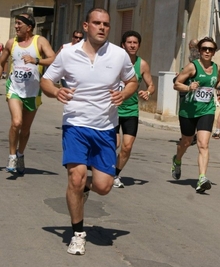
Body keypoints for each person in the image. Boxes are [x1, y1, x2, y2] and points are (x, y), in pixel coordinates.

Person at [40, 7, 138, 255]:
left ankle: (83, 188)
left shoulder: (119, 55)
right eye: (97, 23)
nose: (102, 27)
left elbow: (133, 81)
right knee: (76, 177)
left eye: (106, 24)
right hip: (75, 124)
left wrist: (124, 93)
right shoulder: (68, 54)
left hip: (105, 127)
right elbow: (46, 81)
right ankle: (78, 233)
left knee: (104, 186)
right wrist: (56, 91)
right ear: (86, 26)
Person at [0, 13, 55, 174]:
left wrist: (36, 60)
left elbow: (53, 58)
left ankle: (20, 154)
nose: (16, 26)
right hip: (14, 89)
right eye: (16, 23)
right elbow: (2, 61)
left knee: (25, 129)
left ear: (29, 27)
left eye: (19, 24)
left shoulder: (40, 41)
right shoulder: (12, 43)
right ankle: (12, 156)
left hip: (32, 92)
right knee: (16, 122)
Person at [172, 37, 220, 193]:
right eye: (204, 49)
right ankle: (177, 159)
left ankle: (202, 178)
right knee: (186, 142)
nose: (207, 51)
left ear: (214, 52)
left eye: (211, 49)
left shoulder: (217, 67)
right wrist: (189, 87)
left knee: (203, 144)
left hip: (206, 110)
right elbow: (176, 84)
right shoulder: (192, 67)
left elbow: (215, 84)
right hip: (188, 111)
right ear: (200, 51)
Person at [113, 30, 155, 188]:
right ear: (123, 44)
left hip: (131, 111)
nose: (132, 45)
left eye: (135, 43)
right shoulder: (115, 61)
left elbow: (151, 85)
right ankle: (105, 169)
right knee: (114, 144)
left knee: (127, 146)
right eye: (129, 42)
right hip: (113, 110)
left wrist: (148, 92)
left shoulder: (142, 64)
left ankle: (115, 174)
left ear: (138, 45)